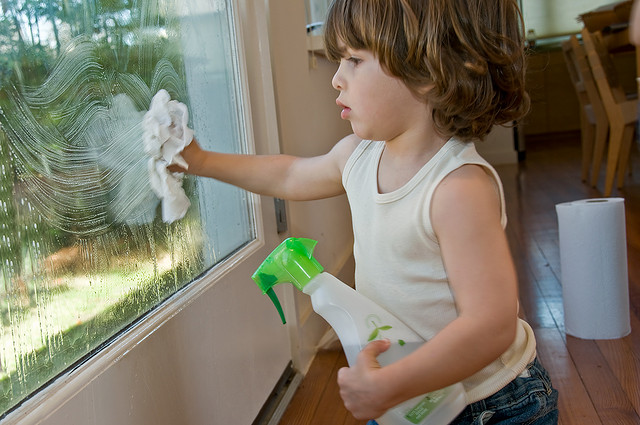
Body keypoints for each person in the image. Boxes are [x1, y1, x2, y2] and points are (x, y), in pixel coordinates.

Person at [171, 0, 559, 423]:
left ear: (428, 71)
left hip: (488, 403)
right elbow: (288, 175)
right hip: (410, 392)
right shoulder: (358, 156)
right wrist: (202, 161)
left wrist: (395, 384)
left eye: (355, 60)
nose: (336, 79)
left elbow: (491, 325)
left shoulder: (457, 188)